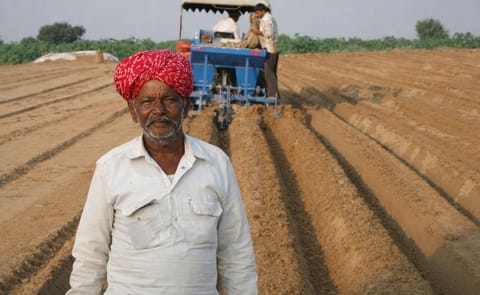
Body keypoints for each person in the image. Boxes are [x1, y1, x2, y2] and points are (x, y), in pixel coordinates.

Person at [66, 49, 257, 294]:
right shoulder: (111, 167)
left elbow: (236, 253)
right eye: (147, 102)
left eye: (169, 100)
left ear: (186, 106)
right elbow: (90, 255)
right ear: (133, 111)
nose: (159, 110)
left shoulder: (216, 163)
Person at [250, 3, 279, 99]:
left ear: (263, 11)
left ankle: (272, 95)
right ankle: (272, 93)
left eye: (257, 13)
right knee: (271, 72)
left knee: (268, 73)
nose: (257, 15)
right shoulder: (268, 17)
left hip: (269, 49)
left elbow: (268, 34)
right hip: (272, 48)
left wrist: (256, 32)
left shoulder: (266, 20)